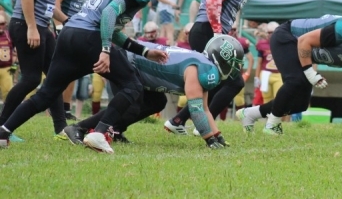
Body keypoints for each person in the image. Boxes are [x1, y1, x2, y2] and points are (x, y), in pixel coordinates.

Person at [0, 0, 170, 152]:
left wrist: (143, 51)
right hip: (89, 38)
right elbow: (108, 15)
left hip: (70, 33)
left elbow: (111, 27)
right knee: (132, 86)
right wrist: (105, 50)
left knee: (46, 93)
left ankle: (2, 132)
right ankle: (99, 132)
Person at [164, 0, 269, 135]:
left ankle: (178, 120)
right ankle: (202, 123)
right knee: (233, 82)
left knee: (212, 81)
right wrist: (219, 34)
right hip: (207, 30)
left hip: (204, 29)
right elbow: (213, 1)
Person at [60, 36, 240, 150]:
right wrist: (209, 140)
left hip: (138, 66)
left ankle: (115, 130)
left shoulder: (203, 65)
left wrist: (218, 136)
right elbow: (196, 109)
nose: (235, 67)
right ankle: (78, 128)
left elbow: (205, 109)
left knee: (157, 102)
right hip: (129, 60)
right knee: (131, 104)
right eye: (233, 62)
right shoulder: (201, 69)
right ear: (221, 58)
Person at [0, 0, 86, 144]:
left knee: (55, 76)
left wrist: (68, 20)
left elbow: (47, 1)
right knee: (30, 78)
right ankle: (1, 128)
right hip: (27, 23)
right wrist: (31, 27)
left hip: (40, 23)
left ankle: (61, 128)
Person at [236, 16, 342, 136]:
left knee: (300, 104)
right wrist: (311, 73)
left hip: (303, 51)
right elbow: (304, 41)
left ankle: (251, 114)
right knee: (296, 81)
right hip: (289, 37)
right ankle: (272, 125)